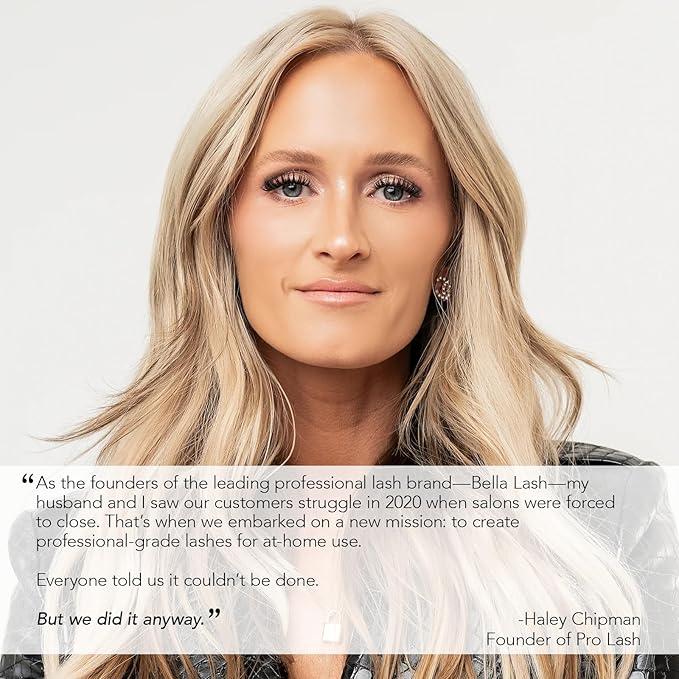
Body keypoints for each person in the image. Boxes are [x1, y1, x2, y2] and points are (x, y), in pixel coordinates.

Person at [2, 7, 678, 679]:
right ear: (220, 227)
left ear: (453, 238)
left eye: (394, 189)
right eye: (290, 185)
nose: (341, 238)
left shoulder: (604, 528)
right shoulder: (80, 555)